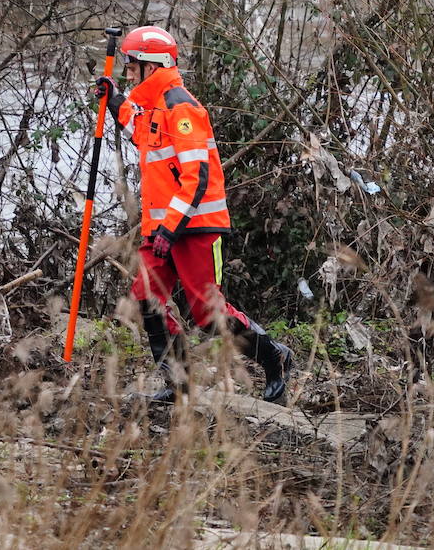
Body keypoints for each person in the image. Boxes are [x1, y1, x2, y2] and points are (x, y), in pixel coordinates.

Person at [95, 25, 295, 405]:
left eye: (133, 65)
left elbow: (196, 176)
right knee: (147, 299)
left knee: (207, 313)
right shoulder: (154, 106)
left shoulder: (181, 107)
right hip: (164, 228)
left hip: (193, 227)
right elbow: (141, 131)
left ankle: (275, 358)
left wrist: (171, 228)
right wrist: (116, 99)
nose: (129, 72)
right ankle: (179, 385)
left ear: (152, 65)